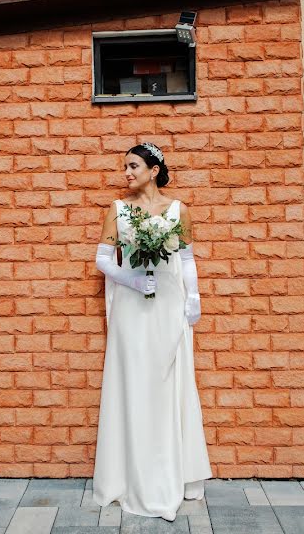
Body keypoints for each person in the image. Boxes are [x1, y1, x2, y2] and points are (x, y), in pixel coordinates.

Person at [91, 142, 213, 521]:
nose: (126, 173)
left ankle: (170, 472)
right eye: (124, 167)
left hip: (167, 306)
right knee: (135, 383)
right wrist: (129, 278)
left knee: (167, 384)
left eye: (133, 166)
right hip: (132, 307)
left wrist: (193, 296)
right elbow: (101, 260)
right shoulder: (118, 210)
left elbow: (187, 258)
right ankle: (131, 477)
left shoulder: (179, 211)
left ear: (154, 169)